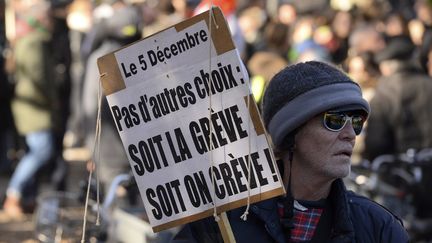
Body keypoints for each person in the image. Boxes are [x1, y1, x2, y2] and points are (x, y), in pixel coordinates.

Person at [172, 61, 409, 242]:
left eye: (356, 122)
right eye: (334, 120)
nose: (350, 134)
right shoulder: (222, 220)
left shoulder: (378, 227)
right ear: (291, 134)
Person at [3, 0, 55, 218]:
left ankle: (24, 197)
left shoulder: (27, 39)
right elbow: (38, 77)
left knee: (35, 151)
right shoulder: (34, 42)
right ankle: (13, 195)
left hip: (30, 105)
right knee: (41, 151)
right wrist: (52, 99)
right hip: (34, 107)